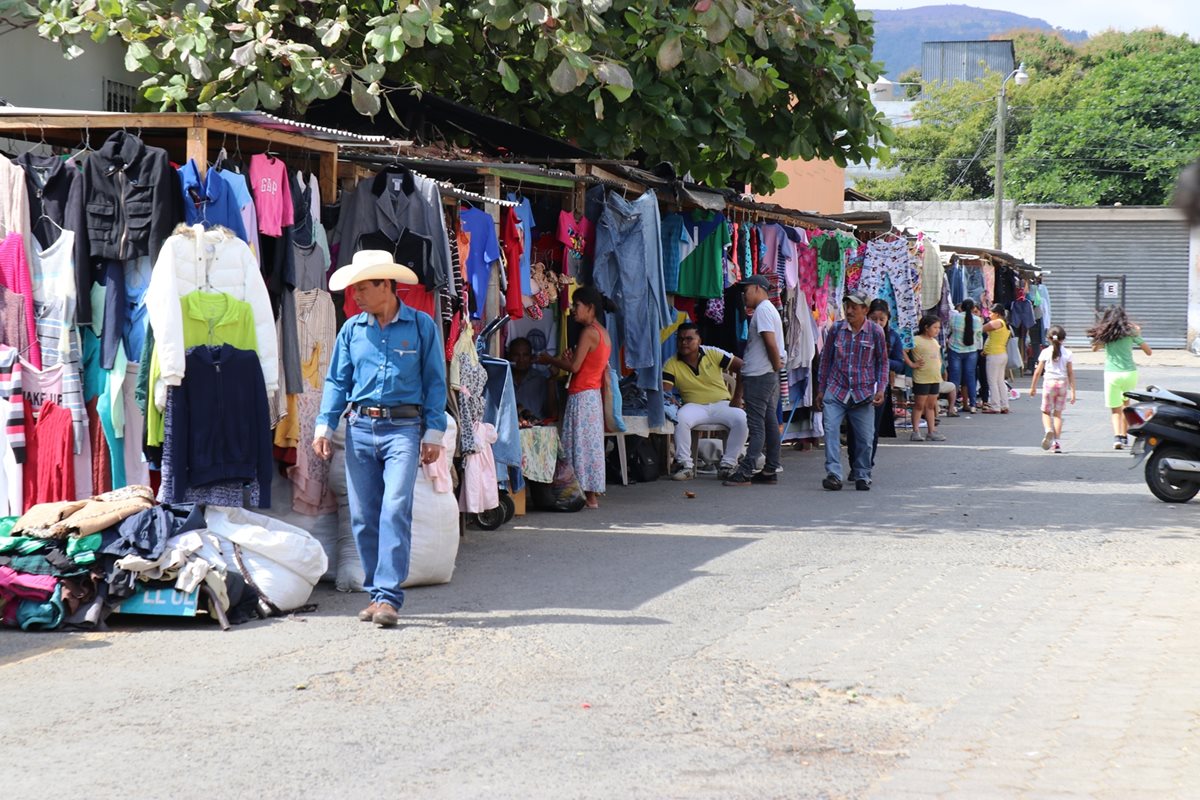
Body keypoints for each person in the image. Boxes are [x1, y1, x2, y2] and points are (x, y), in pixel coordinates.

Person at [314, 250, 447, 628]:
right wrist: (324, 425)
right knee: (362, 516)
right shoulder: (352, 330)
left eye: (362, 288)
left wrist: (434, 431)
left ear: (386, 286)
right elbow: (337, 381)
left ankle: (389, 597)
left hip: (403, 430)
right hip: (358, 429)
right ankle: (376, 593)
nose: (354, 296)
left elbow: (435, 382)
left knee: (395, 507)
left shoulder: (422, 327)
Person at [539, 286, 612, 508]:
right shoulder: (602, 333)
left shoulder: (589, 332)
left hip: (582, 397)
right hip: (591, 397)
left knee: (579, 445)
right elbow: (583, 364)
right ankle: (591, 494)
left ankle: (584, 495)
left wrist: (549, 360)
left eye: (576, 305)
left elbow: (575, 366)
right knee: (589, 446)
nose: (572, 309)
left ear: (590, 307)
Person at [817, 293, 888, 491]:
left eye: (854, 307)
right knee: (831, 432)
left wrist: (880, 388)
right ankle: (834, 474)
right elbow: (825, 361)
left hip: (863, 393)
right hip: (836, 390)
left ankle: (863, 474)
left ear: (865, 310)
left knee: (866, 438)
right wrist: (821, 389)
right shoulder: (836, 330)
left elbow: (882, 363)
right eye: (847, 306)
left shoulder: (875, 332)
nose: (849, 311)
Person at [662, 323, 748, 481]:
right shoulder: (671, 363)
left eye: (689, 339)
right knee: (679, 418)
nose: (684, 343)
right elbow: (665, 391)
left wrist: (737, 398)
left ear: (699, 340)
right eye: (680, 339)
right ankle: (686, 466)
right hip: (694, 406)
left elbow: (743, 367)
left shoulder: (713, 353)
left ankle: (728, 465)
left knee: (741, 418)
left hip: (722, 404)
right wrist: (671, 398)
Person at [723, 275, 786, 486]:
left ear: (759, 288)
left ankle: (746, 470)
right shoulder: (768, 310)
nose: (744, 295)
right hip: (765, 374)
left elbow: (770, 343)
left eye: (746, 290)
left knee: (757, 425)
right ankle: (770, 469)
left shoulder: (763, 310)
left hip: (760, 376)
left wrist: (775, 365)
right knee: (769, 423)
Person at [846, 300, 912, 467]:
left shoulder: (893, 337)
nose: (878, 323)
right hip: (856, 387)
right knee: (854, 428)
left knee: (871, 429)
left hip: (879, 389)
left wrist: (883, 361)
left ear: (887, 319)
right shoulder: (855, 333)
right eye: (874, 319)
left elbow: (899, 364)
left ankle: (866, 464)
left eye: (881, 319)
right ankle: (854, 462)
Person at [1087, 306, 1152, 449]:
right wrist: (1138, 333)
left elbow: (1094, 349)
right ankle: (1124, 437)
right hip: (1130, 373)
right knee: (1125, 405)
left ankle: (1118, 438)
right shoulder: (1131, 332)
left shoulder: (1106, 334)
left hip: (1112, 374)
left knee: (1115, 409)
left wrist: (1100, 335)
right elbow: (1149, 352)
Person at [1028, 324, 1076, 454]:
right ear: (1063, 338)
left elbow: (1037, 371)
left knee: (1045, 412)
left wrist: (1033, 387)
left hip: (1049, 384)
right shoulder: (1068, 353)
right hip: (1062, 384)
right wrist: (1073, 392)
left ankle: (1048, 429)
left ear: (1049, 338)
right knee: (1058, 414)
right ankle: (1057, 443)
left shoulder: (1045, 352)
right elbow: (1071, 373)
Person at [907, 314, 947, 442]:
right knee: (919, 405)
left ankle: (931, 431)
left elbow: (939, 359)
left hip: (934, 378)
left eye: (938, 327)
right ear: (926, 327)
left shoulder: (934, 342)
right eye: (935, 327)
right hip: (922, 378)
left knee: (931, 406)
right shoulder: (916, 340)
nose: (937, 330)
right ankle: (916, 431)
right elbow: (903, 351)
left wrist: (942, 372)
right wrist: (912, 364)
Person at [507, 337, 557, 421]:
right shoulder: (503, 380)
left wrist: (552, 380)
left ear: (531, 357)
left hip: (536, 429)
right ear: (509, 357)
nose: (521, 359)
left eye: (525, 355)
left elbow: (553, 415)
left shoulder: (541, 379)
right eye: (516, 355)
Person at [947, 299, 982, 413]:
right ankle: (973, 405)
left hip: (955, 350)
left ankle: (952, 406)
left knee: (954, 379)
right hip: (971, 351)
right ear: (973, 309)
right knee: (970, 378)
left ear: (961, 307)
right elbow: (978, 336)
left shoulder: (954, 317)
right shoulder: (977, 320)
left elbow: (950, 330)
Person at [981, 303, 1012, 414]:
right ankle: (1004, 405)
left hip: (994, 355)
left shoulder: (997, 322)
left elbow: (981, 329)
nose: (989, 315)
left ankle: (995, 406)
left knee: (992, 381)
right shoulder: (1005, 324)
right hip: (1002, 354)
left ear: (997, 314)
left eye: (990, 313)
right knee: (1000, 381)